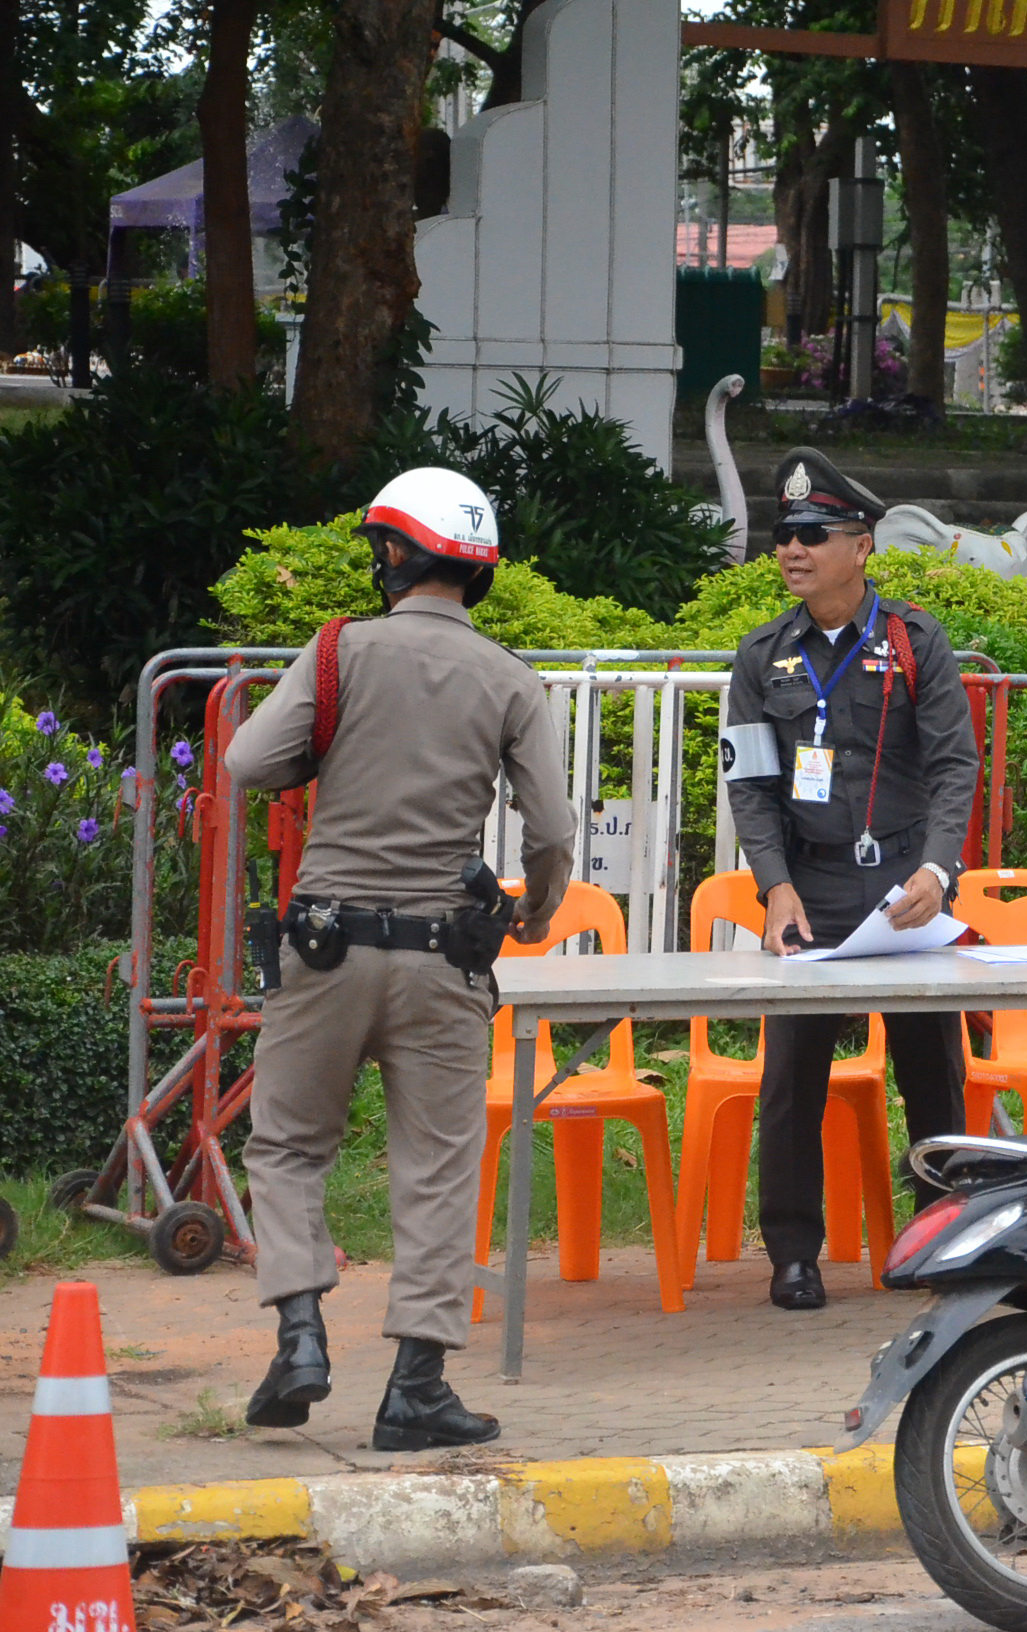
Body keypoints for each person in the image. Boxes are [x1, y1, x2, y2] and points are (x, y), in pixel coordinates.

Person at [229, 468, 573, 1449]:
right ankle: (416, 1385)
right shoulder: (509, 677)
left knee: (288, 1144)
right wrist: (535, 911)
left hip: (323, 946)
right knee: (436, 1166)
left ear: (393, 556)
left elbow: (248, 763)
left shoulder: (339, 650)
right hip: (442, 958)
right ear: (477, 571)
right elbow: (550, 829)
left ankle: (300, 1335)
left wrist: (326, 755)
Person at [722, 448, 981, 1311]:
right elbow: (751, 785)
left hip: (906, 889)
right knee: (792, 1075)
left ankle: (939, 1239)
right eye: (784, 534)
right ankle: (794, 1252)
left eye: (812, 534)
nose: (793, 550)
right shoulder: (762, 657)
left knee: (933, 1071)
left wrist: (939, 872)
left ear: (861, 545)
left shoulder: (915, 641)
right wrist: (774, 887)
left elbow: (955, 767)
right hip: (814, 890)